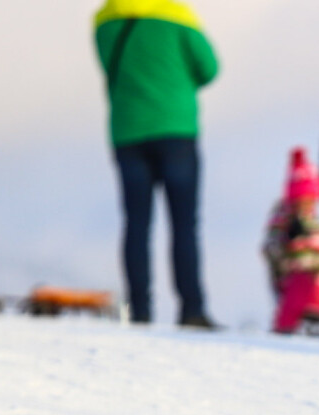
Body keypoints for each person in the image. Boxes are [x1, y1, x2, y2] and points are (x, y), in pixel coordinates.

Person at [94, 0, 218, 328]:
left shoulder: (103, 20)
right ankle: (191, 309)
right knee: (184, 225)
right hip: (176, 128)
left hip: (127, 131)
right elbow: (209, 68)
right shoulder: (177, 15)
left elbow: (111, 70)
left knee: (136, 224)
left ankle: (140, 311)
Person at [263, 149, 319, 334]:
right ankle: (283, 329)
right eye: (303, 199)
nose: (308, 203)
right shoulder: (283, 220)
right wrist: (288, 240)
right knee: (301, 283)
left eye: (311, 199)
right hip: (296, 282)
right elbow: (271, 248)